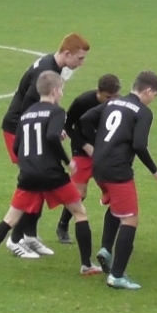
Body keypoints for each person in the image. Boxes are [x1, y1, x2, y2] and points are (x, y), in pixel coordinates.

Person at [0, 71, 100, 275]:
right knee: (79, 212)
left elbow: (17, 146)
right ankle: (86, 265)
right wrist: (68, 161)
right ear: (55, 91)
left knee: (10, 219)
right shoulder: (57, 111)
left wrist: (28, 163)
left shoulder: (27, 114)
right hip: (52, 174)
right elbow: (52, 136)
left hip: (28, 174)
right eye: (61, 90)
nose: (62, 94)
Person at [0, 33, 90, 258]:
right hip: (18, 130)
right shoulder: (46, 70)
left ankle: (29, 235)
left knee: (40, 182)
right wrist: (47, 128)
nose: (81, 63)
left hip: (28, 128)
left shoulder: (52, 65)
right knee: (34, 180)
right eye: (79, 58)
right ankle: (15, 240)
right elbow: (28, 110)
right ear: (67, 53)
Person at [81, 71, 157, 290]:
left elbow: (85, 119)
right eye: (154, 96)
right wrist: (155, 170)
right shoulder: (143, 112)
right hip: (117, 170)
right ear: (148, 91)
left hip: (98, 167)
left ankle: (106, 249)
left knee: (116, 208)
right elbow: (139, 145)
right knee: (130, 218)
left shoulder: (113, 103)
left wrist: (99, 144)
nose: (152, 100)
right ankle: (117, 276)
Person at [56, 74, 122, 244]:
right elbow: (67, 125)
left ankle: (115, 235)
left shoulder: (119, 104)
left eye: (115, 97)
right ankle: (63, 225)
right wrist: (85, 146)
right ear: (98, 92)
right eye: (108, 97)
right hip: (82, 150)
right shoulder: (82, 102)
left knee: (117, 191)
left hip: (105, 152)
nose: (112, 101)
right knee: (79, 193)